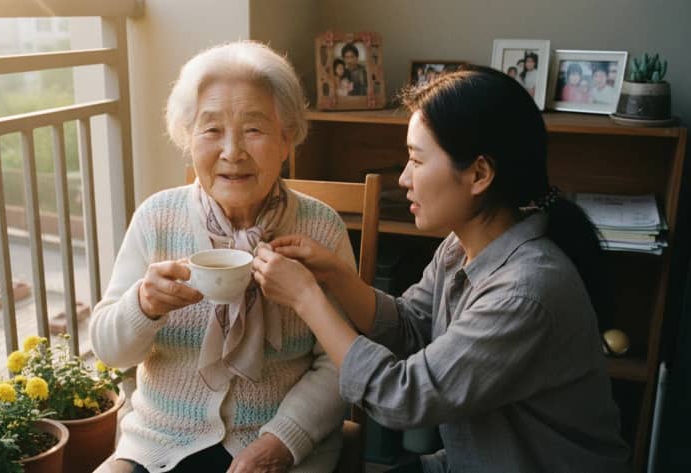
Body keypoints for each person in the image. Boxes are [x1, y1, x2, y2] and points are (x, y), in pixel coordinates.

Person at [253, 66, 631, 472]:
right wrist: (335, 276)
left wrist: (307, 298)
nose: (403, 178)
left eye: (417, 159)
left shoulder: (526, 292)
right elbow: (413, 326)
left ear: (479, 174)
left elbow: (403, 398)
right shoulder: (461, 245)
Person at [91, 41, 353, 473]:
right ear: (187, 138)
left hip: (280, 445)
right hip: (159, 441)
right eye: (211, 130)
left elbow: (339, 363)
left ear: (287, 138)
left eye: (254, 129)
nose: (232, 152)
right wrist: (143, 305)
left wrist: (282, 440)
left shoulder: (320, 228)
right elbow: (109, 351)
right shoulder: (158, 217)